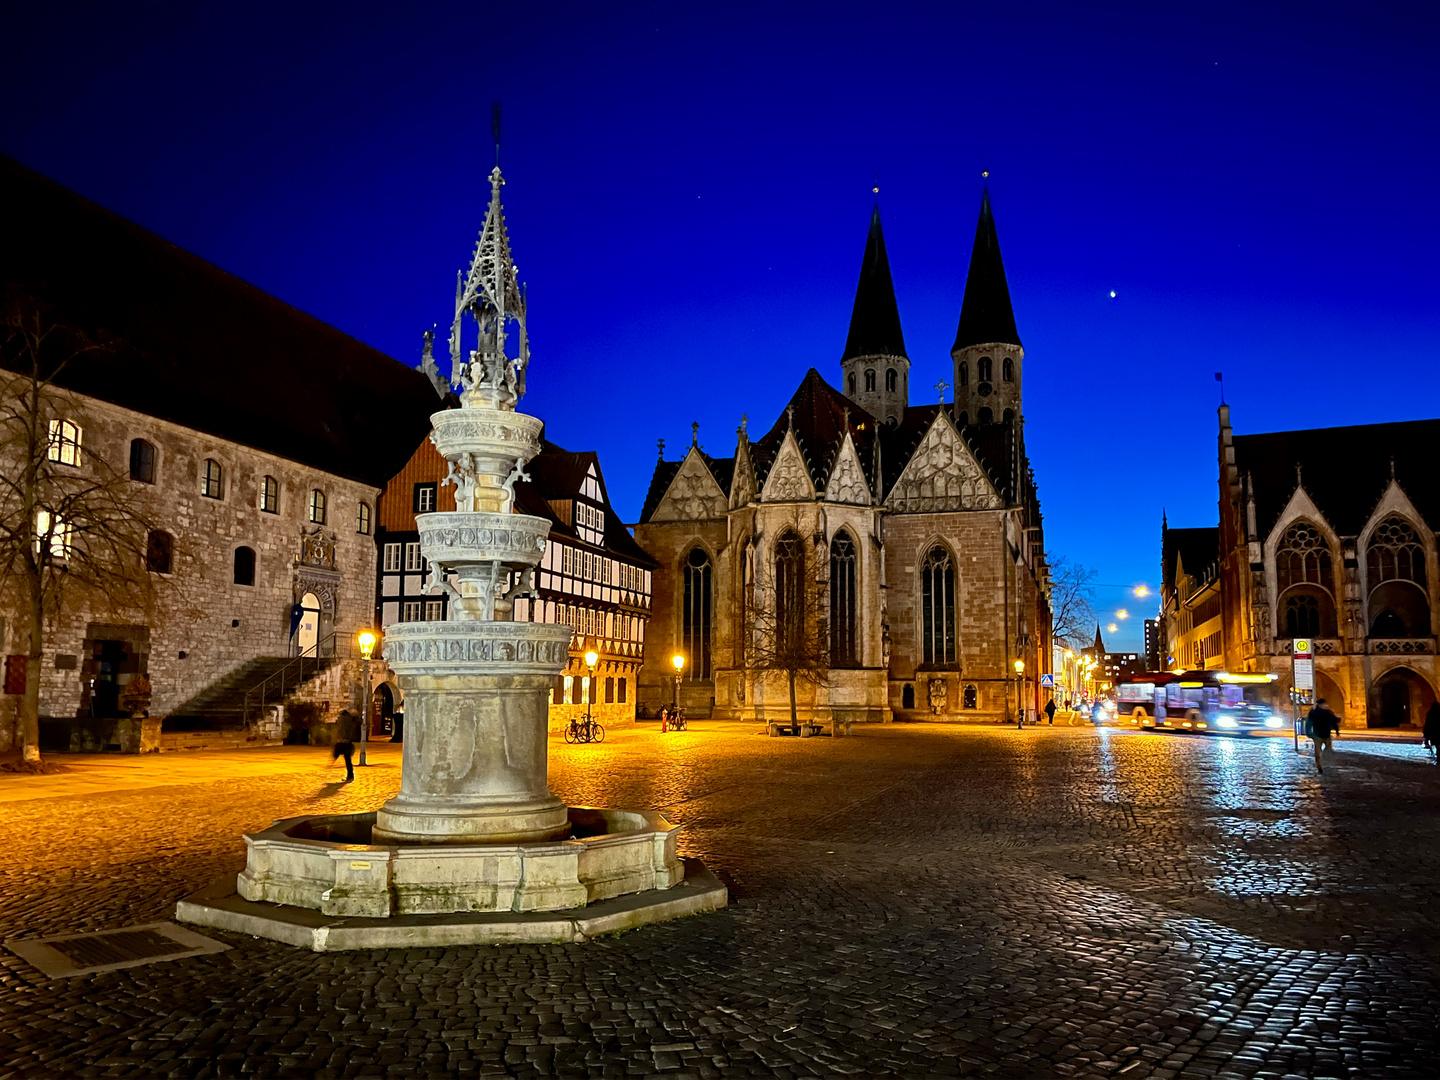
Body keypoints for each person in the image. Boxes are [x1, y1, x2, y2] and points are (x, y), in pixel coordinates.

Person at [1307, 698, 1341, 773]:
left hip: (1325, 734)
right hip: (1318, 734)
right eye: (1324, 704)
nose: (1325, 705)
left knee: (1327, 749)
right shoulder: (1315, 712)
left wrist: (1337, 730)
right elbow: (1309, 723)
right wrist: (1309, 732)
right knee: (1318, 751)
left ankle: (1324, 763)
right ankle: (1320, 765)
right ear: (1320, 705)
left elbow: (1333, 721)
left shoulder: (1327, 712)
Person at [332, 708, 359, 782]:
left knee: (347, 759)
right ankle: (350, 775)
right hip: (347, 741)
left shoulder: (344, 721)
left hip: (346, 742)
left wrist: (343, 738)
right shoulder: (349, 720)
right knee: (347, 759)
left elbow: (343, 730)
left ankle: (350, 775)